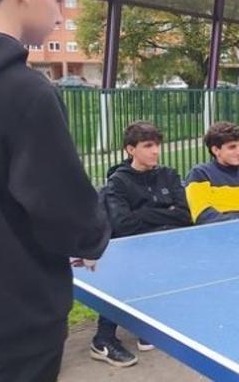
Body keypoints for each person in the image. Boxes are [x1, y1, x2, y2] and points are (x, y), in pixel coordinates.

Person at [0, 0, 110, 381]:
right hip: (11, 325)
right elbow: (65, 213)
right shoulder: (26, 93)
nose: (61, 14)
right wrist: (90, 238)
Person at [91, 122, 192, 367]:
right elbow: (124, 224)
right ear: (131, 149)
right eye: (148, 146)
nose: (155, 151)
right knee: (127, 268)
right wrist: (162, 211)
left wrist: (144, 212)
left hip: (165, 244)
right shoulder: (118, 182)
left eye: (157, 145)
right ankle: (103, 339)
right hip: (128, 248)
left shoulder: (169, 174)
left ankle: (147, 327)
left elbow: (185, 215)